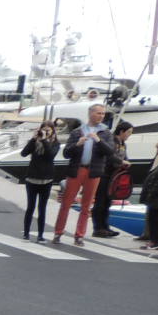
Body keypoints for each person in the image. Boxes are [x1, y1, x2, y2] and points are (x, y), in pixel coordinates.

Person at [52, 103, 113, 245]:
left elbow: (110, 152)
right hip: (77, 168)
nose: (101, 116)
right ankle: (58, 232)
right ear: (90, 113)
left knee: (87, 205)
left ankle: (79, 235)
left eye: (103, 114)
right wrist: (77, 144)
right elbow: (66, 153)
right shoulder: (78, 131)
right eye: (98, 113)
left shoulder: (106, 133)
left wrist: (99, 141)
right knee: (66, 202)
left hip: (93, 171)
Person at [90, 120, 132, 237]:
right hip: (105, 174)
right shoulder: (112, 141)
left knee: (108, 202)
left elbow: (124, 156)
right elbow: (110, 156)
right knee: (101, 202)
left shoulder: (123, 144)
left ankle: (105, 226)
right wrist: (120, 161)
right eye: (128, 132)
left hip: (114, 175)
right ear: (122, 131)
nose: (129, 135)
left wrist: (126, 163)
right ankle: (98, 227)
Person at [19, 122, 59, 241]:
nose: (45, 132)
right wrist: (33, 139)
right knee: (30, 206)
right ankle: (26, 233)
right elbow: (23, 153)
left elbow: (50, 155)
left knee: (42, 208)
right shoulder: (35, 142)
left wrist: (45, 140)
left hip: (46, 179)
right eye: (44, 130)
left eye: (48, 131)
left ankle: (40, 234)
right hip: (32, 178)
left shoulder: (55, 143)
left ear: (53, 132)